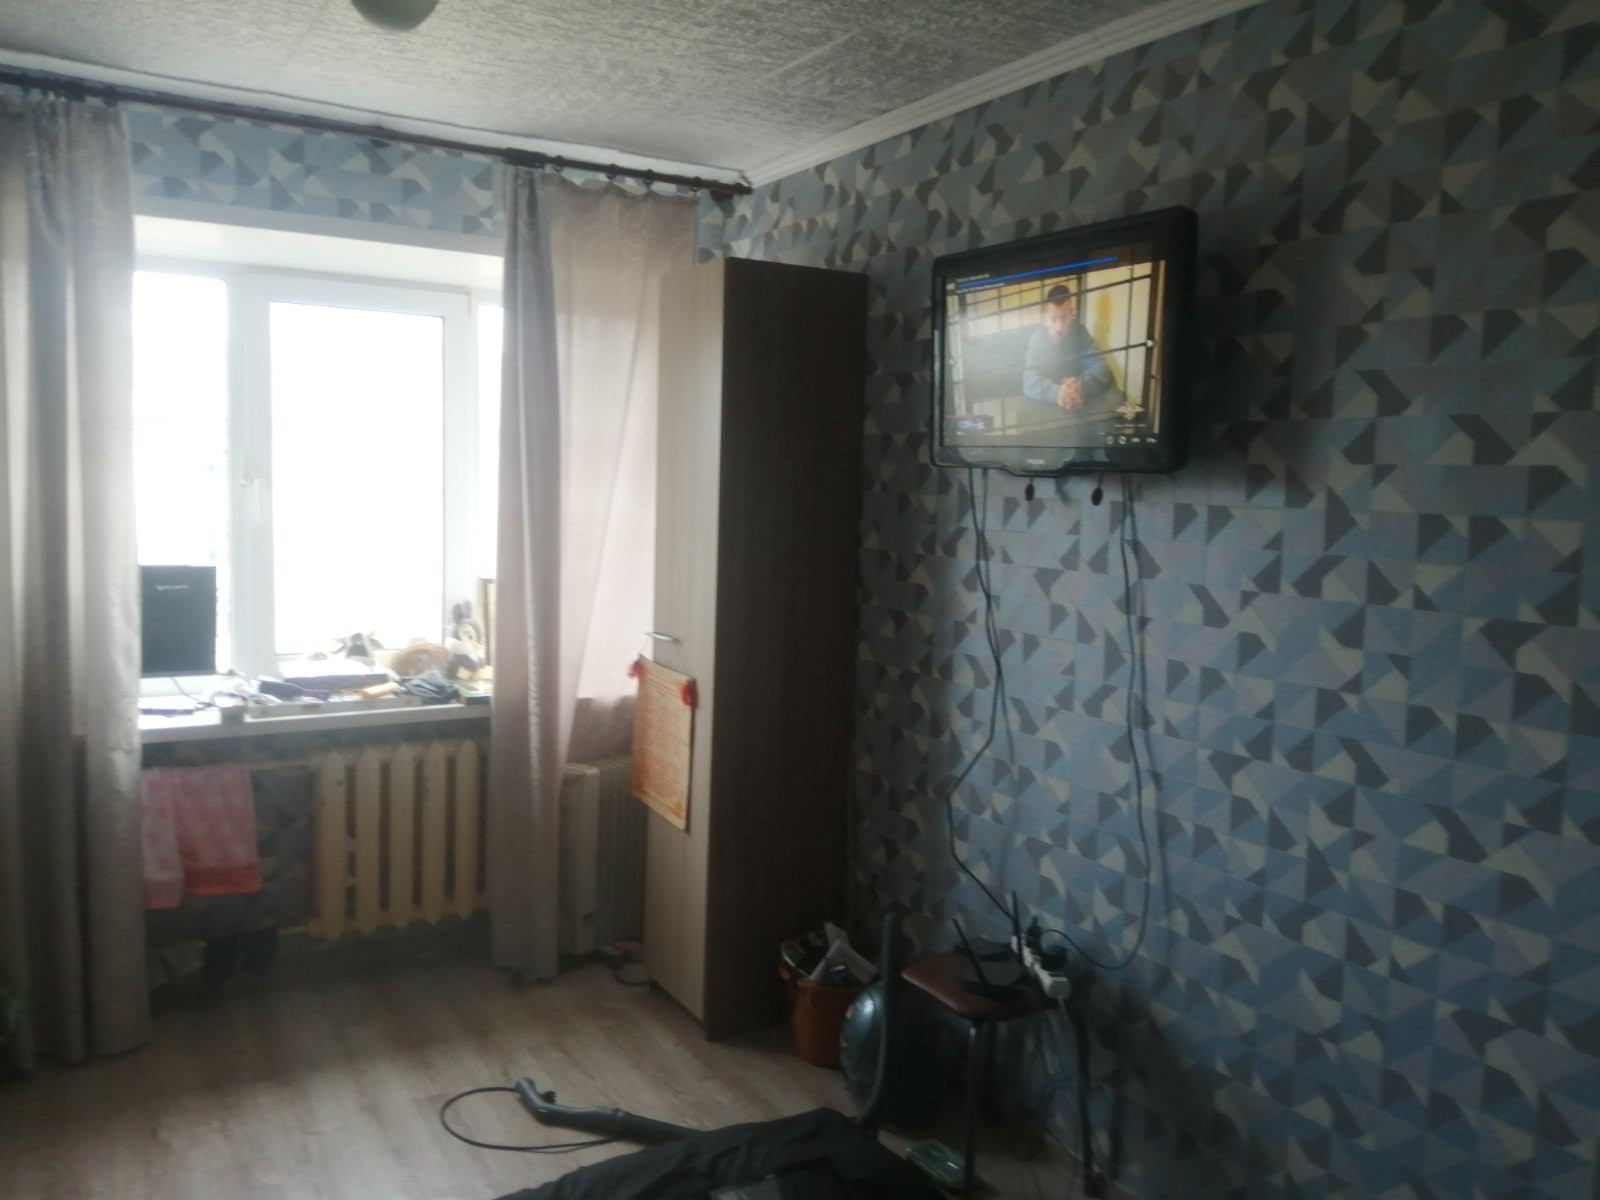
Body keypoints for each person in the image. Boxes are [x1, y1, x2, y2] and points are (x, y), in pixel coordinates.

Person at [1021, 282, 1116, 415]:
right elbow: (1029, 380)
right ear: (1044, 319)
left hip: (1078, 399)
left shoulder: (1080, 332)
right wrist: (1058, 393)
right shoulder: (1037, 339)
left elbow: (1101, 368)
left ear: (1072, 313)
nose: (1059, 328)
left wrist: (1080, 386)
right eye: (1053, 319)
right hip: (1050, 406)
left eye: (1064, 318)